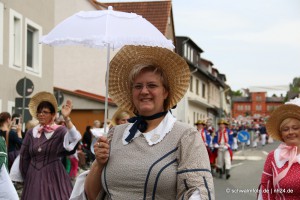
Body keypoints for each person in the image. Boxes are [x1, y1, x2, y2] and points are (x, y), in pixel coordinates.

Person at [83, 45, 215, 199]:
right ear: (132, 93)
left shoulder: (185, 136)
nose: (144, 91)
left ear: (165, 92)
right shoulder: (115, 134)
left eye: (152, 85)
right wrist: (99, 163)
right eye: (138, 86)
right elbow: (92, 195)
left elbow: (197, 190)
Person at [19, 91, 82, 200]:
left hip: (54, 175)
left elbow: (75, 137)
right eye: (39, 112)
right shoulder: (31, 133)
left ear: (53, 115)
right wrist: (27, 176)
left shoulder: (60, 130)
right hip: (33, 177)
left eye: (45, 112)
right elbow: (24, 157)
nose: (41, 114)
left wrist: (67, 118)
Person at [258, 98, 300, 199]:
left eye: (295, 128)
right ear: (281, 134)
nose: (290, 132)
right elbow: (266, 188)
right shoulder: (273, 156)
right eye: (285, 129)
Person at [0, 112, 19, 199]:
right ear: (8, 120)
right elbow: (22, 144)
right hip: (8, 160)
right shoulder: (11, 133)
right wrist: (19, 132)